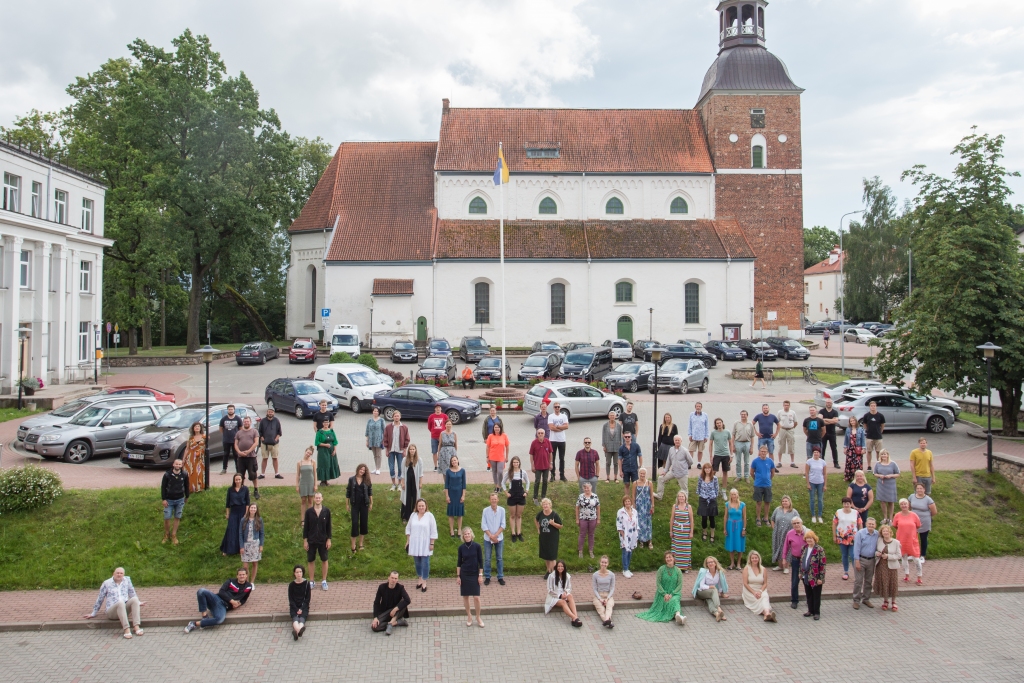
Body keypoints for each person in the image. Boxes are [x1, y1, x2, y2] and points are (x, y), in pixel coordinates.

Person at [184, 568, 253, 633]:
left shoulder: (249, 586)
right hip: (216, 598)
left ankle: (194, 623)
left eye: (243, 574)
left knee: (219, 620)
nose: (242, 576)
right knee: (201, 591)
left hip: (223, 607)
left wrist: (238, 604)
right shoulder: (230, 581)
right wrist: (231, 601)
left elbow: (244, 599)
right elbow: (221, 591)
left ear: (246, 576)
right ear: (237, 576)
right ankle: (205, 617)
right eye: (240, 575)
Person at [84, 567, 145, 639]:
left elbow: (132, 592)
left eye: (121, 573)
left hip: (124, 610)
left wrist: (138, 602)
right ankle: (126, 629)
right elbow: (100, 598)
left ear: (123, 574)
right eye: (117, 573)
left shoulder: (127, 580)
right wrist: (93, 613)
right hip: (112, 611)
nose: (119, 575)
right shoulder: (106, 583)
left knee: (134, 599)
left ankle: (136, 626)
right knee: (120, 603)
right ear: (113, 574)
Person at [636, 552, 686, 625]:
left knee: (674, 600)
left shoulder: (678, 571)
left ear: (674, 558)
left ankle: (678, 615)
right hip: (662, 593)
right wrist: (664, 594)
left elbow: (679, 585)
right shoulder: (661, 569)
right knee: (668, 602)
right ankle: (678, 616)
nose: (668, 559)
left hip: (675, 593)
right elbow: (658, 583)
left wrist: (672, 594)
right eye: (667, 558)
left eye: (670, 557)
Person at [406, 498, 438, 592]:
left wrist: (432, 543)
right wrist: (408, 541)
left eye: (422, 506)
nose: (421, 507)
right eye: (419, 506)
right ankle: (419, 578)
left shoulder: (430, 516)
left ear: (425, 506)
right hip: (414, 543)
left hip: (426, 543)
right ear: (416, 506)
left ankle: (424, 580)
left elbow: (433, 530)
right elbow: (408, 528)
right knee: (417, 562)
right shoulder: (413, 515)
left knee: (425, 562)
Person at [303, 491, 332, 590]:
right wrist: (305, 540)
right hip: (311, 540)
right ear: (314, 499)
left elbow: (329, 527)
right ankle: (311, 581)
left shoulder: (326, 511)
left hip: (323, 540)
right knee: (311, 560)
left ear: (322, 499)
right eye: (316, 498)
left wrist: (329, 539)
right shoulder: (309, 512)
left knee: (324, 559)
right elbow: (306, 527)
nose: (318, 499)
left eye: (319, 498)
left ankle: (324, 580)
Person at [457, 527, 485, 627]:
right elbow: (459, 562)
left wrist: (480, 575)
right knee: (465, 596)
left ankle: (478, 616)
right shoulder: (461, 548)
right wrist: (458, 576)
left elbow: (481, 561)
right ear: (463, 536)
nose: (467, 535)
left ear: (471, 534)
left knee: (476, 597)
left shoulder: (477, 546)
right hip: (464, 574)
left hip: (474, 574)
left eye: (468, 534)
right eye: (465, 534)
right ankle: (469, 616)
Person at [893, 498, 923, 585]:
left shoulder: (914, 515)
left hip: (912, 540)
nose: (904, 506)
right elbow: (895, 525)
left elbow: (918, 525)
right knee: (904, 558)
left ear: (908, 505)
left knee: (916, 559)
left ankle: (919, 577)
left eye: (905, 504)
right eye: (902, 504)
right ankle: (907, 575)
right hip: (902, 540)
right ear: (900, 506)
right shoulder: (897, 515)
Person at [371, 571, 411, 635]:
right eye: (392, 578)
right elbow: (376, 603)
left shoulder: (400, 588)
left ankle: (391, 623)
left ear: (397, 579)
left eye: (395, 578)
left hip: (397, 612)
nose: (393, 580)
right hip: (385, 612)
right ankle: (396, 622)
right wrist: (375, 617)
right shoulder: (382, 587)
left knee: (403, 602)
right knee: (375, 627)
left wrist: (395, 609)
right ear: (388, 578)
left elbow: (408, 600)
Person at [851, 517, 879, 609]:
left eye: (873, 524)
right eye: (869, 524)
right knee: (858, 581)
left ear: (875, 525)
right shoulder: (860, 533)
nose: (871, 525)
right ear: (866, 524)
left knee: (868, 581)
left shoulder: (877, 534)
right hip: (861, 559)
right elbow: (856, 548)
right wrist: (857, 561)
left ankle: (866, 599)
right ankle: (856, 600)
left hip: (871, 560)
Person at [873, 524, 903, 611]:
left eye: (887, 531)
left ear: (890, 532)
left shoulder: (896, 542)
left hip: (892, 566)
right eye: (884, 531)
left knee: (892, 583)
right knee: (884, 582)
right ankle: (885, 601)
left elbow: (899, 555)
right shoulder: (879, 540)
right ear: (882, 533)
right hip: (881, 565)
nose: (885, 533)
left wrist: (888, 556)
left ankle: (894, 602)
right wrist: (877, 554)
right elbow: (875, 551)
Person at [692, 555, 731, 621]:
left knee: (710, 600)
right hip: (701, 592)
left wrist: (722, 593)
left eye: (712, 562)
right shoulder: (704, 572)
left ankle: (716, 614)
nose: (710, 563)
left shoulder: (719, 573)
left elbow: (720, 584)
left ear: (715, 563)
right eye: (708, 562)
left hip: (710, 593)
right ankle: (719, 608)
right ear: (707, 565)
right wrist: (710, 587)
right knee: (714, 590)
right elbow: (701, 586)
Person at [832, 497, 862, 580]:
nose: (846, 505)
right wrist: (834, 536)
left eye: (848, 503)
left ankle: (856, 572)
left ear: (851, 504)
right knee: (844, 555)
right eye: (844, 503)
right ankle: (846, 571)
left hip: (853, 538)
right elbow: (834, 524)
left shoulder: (855, 513)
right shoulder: (838, 512)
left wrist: (861, 535)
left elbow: (860, 524)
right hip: (842, 537)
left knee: (853, 555)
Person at [545, 560, 582, 627]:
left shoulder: (567, 575)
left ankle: (575, 617)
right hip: (554, 597)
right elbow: (549, 590)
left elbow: (569, 587)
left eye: (562, 566)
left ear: (564, 567)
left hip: (563, 594)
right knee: (563, 602)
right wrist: (560, 596)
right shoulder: (551, 576)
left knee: (570, 596)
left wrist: (565, 592)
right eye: (558, 566)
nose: (560, 568)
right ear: (556, 567)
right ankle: (574, 618)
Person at [742, 550, 776, 622]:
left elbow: (765, 583)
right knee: (757, 600)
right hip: (749, 590)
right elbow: (745, 583)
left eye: (756, 558)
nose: (754, 559)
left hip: (760, 588)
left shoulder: (763, 569)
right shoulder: (746, 568)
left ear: (759, 558)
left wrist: (760, 591)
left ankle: (766, 614)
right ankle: (767, 614)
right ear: (750, 559)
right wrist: (754, 592)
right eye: (753, 558)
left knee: (764, 596)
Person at [346, 464, 373, 552]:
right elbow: (348, 492)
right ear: (358, 469)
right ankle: (353, 545)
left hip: (364, 504)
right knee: (354, 523)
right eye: (361, 469)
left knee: (363, 523)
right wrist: (347, 504)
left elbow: (370, 492)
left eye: (364, 470)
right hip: (354, 504)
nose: (362, 471)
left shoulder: (367, 480)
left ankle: (361, 543)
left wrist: (371, 503)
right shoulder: (351, 479)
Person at [161, 458, 189, 545]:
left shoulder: (184, 474)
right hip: (169, 500)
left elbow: (186, 485)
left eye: (179, 464)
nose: (178, 466)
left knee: (177, 517)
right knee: (167, 517)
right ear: (173, 464)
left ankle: (174, 535)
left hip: (180, 499)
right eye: (176, 464)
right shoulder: (167, 475)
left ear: (181, 466)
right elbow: (163, 487)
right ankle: (166, 534)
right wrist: (164, 499)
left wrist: (187, 496)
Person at [657, 434, 693, 500]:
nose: (677, 441)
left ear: (681, 441)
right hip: (673, 472)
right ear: (674, 441)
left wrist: (684, 467)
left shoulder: (685, 451)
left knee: (684, 489)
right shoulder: (671, 449)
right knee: (660, 478)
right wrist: (665, 471)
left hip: (682, 473)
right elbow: (668, 461)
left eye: (678, 440)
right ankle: (659, 496)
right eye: (676, 440)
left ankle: (685, 503)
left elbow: (690, 461)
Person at [220, 474, 249, 556]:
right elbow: (227, 503)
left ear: (242, 480)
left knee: (241, 530)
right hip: (234, 511)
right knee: (231, 529)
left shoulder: (245, 489)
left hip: (242, 510)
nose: (238, 481)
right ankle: (227, 549)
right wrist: (227, 514)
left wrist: (246, 513)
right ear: (234, 480)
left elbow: (247, 502)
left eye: (239, 479)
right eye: (236, 480)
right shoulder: (230, 490)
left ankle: (241, 549)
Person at [799, 530, 826, 620]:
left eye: (810, 538)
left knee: (816, 595)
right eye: (807, 538)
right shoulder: (804, 548)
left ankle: (816, 612)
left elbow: (822, 564)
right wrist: (800, 573)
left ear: (814, 539)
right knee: (808, 594)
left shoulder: (819, 549)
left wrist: (820, 578)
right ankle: (810, 610)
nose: (809, 540)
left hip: (815, 576)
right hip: (805, 575)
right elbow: (801, 561)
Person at [480, 493, 506, 585]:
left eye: (495, 499)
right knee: (487, 558)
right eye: (492, 499)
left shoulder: (502, 510)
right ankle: (487, 576)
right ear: (489, 500)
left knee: (499, 558)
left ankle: (500, 576)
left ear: (498, 500)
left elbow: (503, 524)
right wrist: (491, 536)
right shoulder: (485, 510)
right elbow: (483, 525)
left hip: (499, 538)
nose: (493, 501)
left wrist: (496, 535)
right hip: (488, 538)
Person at [781, 517, 807, 608]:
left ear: (802, 523)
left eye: (798, 523)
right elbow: (786, 547)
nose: (796, 525)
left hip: (806, 560)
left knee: (807, 579)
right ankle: (794, 600)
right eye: (794, 523)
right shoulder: (790, 533)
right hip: (795, 559)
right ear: (792, 525)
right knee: (795, 580)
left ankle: (809, 599)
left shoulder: (807, 533)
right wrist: (784, 558)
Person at [502, 455, 529, 542]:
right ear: (512, 463)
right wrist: (506, 492)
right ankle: (513, 533)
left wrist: (526, 492)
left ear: (519, 463)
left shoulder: (523, 472)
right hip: (512, 495)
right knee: (512, 515)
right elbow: (502, 483)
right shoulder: (509, 473)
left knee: (519, 515)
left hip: (521, 495)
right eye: (514, 462)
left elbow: (528, 482)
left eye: (517, 462)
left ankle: (519, 533)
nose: (515, 464)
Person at [909, 482, 937, 564]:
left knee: (923, 538)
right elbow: (909, 507)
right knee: (913, 538)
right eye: (918, 488)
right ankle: (913, 554)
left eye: (921, 488)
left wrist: (926, 516)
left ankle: (922, 555)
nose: (919, 490)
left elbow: (934, 511)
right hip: (913, 521)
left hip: (924, 521)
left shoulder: (928, 499)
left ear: (924, 489)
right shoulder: (911, 496)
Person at [750, 444, 778, 525]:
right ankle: (758, 518)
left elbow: (772, 472)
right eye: (762, 451)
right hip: (758, 485)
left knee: (767, 501)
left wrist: (769, 479)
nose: (763, 453)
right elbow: (752, 472)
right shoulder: (755, 461)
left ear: (767, 452)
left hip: (767, 485)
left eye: (764, 452)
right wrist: (756, 479)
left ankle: (766, 518)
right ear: (759, 452)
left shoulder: (770, 461)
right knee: (758, 502)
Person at [234, 416, 261, 499]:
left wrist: (248, 451)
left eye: (248, 421)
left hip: (251, 457)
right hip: (241, 457)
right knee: (240, 474)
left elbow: (256, 443)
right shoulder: (239, 433)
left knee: (253, 474)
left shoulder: (254, 431)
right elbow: (235, 444)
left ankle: (256, 490)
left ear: (250, 422)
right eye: (245, 421)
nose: (246, 423)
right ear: (243, 422)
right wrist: (239, 452)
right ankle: (242, 490)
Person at [770, 495, 799, 571]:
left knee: (787, 548)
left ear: (789, 502)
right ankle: (780, 565)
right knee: (778, 547)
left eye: (786, 501)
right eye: (783, 501)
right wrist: (774, 528)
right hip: (777, 533)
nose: (784, 502)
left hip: (788, 533)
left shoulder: (794, 512)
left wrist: (795, 531)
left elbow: (798, 522)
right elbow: (772, 519)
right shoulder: (777, 509)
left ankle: (786, 566)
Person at [535, 497, 563, 577]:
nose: (545, 506)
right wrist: (538, 528)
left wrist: (553, 524)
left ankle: (554, 573)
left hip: (552, 538)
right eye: (544, 504)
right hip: (543, 537)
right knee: (546, 555)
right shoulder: (540, 513)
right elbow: (536, 520)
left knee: (552, 556)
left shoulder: (554, 514)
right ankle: (548, 571)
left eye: (546, 504)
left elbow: (561, 526)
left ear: (550, 505)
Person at [238, 503, 265, 583]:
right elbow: (240, 533)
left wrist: (261, 545)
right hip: (246, 544)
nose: (253, 509)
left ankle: (252, 582)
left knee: (255, 563)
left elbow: (262, 533)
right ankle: (246, 582)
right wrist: (241, 546)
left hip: (255, 544)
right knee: (245, 566)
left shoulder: (259, 519)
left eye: (254, 508)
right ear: (249, 509)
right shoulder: (243, 520)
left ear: (256, 509)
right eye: (251, 508)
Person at [384, 411, 411, 490]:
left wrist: (405, 449)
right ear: (393, 417)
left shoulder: (404, 427)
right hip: (391, 450)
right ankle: (393, 484)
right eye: (395, 416)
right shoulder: (388, 427)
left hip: (400, 451)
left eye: (397, 416)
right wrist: (386, 449)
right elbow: (385, 438)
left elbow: (407, 439)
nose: (396, 417)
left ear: (400, 417)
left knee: (400, 467)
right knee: (391, 467)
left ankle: (399, 484)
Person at [872, 449, 900, 525]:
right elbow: (874, 473)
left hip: (890, 484)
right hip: (881, 484)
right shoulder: (878, 464)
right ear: (880, 455)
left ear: (888, 455)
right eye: (882, 454)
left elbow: (898, 474)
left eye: (885, 454)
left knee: (891, 501)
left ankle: (891, 519)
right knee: (882, 501)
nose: (884, 455)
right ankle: (885, 517)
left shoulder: (893, 464)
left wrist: (890, 475)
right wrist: (880, 475)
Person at [670, 489, 694, 571]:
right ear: (677, 498)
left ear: (685, 497)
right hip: (677, 530)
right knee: (676, 548)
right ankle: (677, 566)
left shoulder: (688, 507)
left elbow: (691, 520)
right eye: (679, 496)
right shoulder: (674, 506)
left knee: (686, 549)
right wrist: (671, 531)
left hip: (686, 530)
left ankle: (685, 567)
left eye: (682, 496)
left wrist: (691, 532)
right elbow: (672, 519)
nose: (681, 498)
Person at [257, 406, 284, 480]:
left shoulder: (276, 420)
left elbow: (279, 432)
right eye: (269, 412)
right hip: (264, 444)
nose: (270, 413)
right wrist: (262, 438)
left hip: (274, 444)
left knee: (275, 458)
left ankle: (276, 473)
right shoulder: (262, 421)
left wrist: (275, 439)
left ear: (274, 413)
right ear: (267, 412)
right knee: (264, 458)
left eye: (272, 412)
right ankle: (262, 474)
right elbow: (260, 432)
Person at [723, 488, 747, 570]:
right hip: (730, 525)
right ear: (730, 495)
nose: (734, 496)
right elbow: (725, 516)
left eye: (735, 494)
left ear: (737, 495)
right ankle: (732, 563)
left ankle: (739, 563)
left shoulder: (742, 504)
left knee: (739, 544)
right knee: (731, 544)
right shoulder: (727, 504)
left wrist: (744, 529)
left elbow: (744, 517)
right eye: (732, 494)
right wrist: (725, 528)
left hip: (739, 525)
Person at [616, 495, 639, 578]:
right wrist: (621, 533)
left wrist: (637, 531)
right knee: (625, 551)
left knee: (630, 551)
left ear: (631, 502)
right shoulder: (620, 512)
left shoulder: (634, 511)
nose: (627, 503)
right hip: (624, 534)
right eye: (626, 502)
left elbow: (637, 522)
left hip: (632, 534)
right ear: (624, 503)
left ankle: (628, 568)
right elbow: (618, 523)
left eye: (629, 501)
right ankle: (625, 569)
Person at [575, 481, 600, 559]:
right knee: (582, 534)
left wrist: (598, 518)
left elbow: (598, 507)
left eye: (588, 487)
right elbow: (577, 507)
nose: (586, 489)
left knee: (591, 534)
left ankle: (591, 550)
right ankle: (580, 551)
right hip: (583, 518)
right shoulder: (581, 496)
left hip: (593, 518)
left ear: (591, 488)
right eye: (585, 488)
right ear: (583, 489)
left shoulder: (595, 496)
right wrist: (577, 519)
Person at [708, 417, 733, 495]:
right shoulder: (713, 433)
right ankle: (712, 488)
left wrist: (731, 455)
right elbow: (710, 444)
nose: (719, 424)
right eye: (717, 423)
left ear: (722, 423)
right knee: (713, 471)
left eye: (720, 423)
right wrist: (711, 456)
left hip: (726, 455)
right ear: (715, 424)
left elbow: (730, 443)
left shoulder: (727, 432)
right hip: (717, 455)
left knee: (725, 472)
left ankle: (724, 490)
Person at [696, 462, 720, 542]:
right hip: (703, 499)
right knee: (704, 517)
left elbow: (717, 488)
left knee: (712, 517)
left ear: (711, 469)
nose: (707, 470)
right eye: (706, 468)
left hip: (712, 499)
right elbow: (698, 487)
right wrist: (701, 495)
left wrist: (714, 496)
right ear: (704, 469)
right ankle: (705, 532)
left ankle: (712, 534)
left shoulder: (715, 478)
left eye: (709, 468)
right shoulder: (701, 477)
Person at [400, 445, 424, 522]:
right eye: (411, 449)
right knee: (407, 498)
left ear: (415, 450)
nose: (412, 451)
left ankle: (415, 515)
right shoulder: (404, 460)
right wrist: (402, 483)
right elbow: (402, 472)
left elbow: (420, 473)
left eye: (413, 449)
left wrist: (420, 483)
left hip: (415, 482)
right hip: (407, 482)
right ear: (408, 450)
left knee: (415, 498)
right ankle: (405, 516)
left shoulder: (419, 460)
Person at [444, 455, 467, 538]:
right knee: (451, 513)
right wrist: (447, 496)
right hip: (451, 493)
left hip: (459, 493)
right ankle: (451, 530)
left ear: (458, 460)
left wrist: (463, 495)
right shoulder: (448, 471)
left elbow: (464, 485)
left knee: (459, 513)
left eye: (455, 460)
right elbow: (446, 485)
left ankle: (460, 529)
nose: (454, 462)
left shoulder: (462, 471)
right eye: (452, 461)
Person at [529, 428, 553, 504]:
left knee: (545, 481)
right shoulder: (534, 443)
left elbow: (550, 453)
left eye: (542, 433)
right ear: (537, 434)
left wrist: (550, 463)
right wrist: (532, 465)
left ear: (544, 434)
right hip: (537, 466)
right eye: (539, 433)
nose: (540, 434)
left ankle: (543, 496)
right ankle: (535, 497)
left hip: (546, 466)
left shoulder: (548, 442)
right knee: (537, 481)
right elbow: (531, 454)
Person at [592, 555, 617, 628]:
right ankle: (609, 622)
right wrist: (600, 599)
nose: (604, 564)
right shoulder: (595, 575)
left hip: (608, 595)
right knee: (601, 609)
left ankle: (606, 621)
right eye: (602, 562)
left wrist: (607, 598)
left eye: (605, 563)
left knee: (609, 606)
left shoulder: (612, 575)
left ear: (608, 564)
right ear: (600, 563)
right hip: (598, 595)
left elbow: (612, 588)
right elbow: (594, 588)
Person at [805, 446, 828, 523]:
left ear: (819, 453)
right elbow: (807, 473)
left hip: (820, 483)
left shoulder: (823, 462)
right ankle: (813, 515)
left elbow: (825, 474)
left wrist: (825, 485)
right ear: (813, 453)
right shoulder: (809, 462)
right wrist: (808, 483)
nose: (816, 453)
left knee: (820, 499)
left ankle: (819, 515)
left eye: (817, 452)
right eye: (814, 452)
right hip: (812, 482)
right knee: (812, 499)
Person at [181, 422, 206, 495]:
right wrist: (183, 459)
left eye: (198, 426)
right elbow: (187, 449)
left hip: (200, 457)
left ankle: (199, 488)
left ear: (201, 428)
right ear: (193, 429)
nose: (197, 428)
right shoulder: (190, 438)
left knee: (199, 472)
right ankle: (190, 488)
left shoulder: (204, 437)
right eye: (195, 427)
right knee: (190, 472)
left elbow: (206, 447)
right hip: (190, 457)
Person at [547, 401, 569, 481]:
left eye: (558, 407)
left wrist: (557, 426)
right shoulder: (551, 416)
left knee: (562, 458)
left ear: (560, 408)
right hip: (553, 440)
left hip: (562, 440)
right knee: (552, 458)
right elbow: (551, 427)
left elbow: (566, 426)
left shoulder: (564, 416)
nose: (557, 408)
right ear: (553, 408)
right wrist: (560, 427)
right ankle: (552, 476)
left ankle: (562, 475)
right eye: (555, 407)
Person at [288, 565, 311, 640]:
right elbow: (291, 599)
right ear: (294, 573)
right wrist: (296, 608)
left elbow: (307, 599)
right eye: (297, 572)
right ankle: (299, 631)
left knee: (302, 619)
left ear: (303, 573)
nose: (299, 574)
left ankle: (297, 632)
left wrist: (301, 608)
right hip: (294, 606)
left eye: (300, 572)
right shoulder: (291, 585)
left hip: (303, 606)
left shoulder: (307, 584)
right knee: (295, 618)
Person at [314, 420, 340, 487]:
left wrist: (335, 450)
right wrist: (325, 445)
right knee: (324, 464)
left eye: (327, 422)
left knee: (330, 464)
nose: (326, 424)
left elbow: (335, 441)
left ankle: (327, 480)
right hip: (322, 451)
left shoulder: (331, 431)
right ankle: (323, 481)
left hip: (331, 450)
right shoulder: (319, 432)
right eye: (325, 422)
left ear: (329, 423)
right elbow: (317, 442)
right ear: (322, 423)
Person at [296, 446, 318, 524]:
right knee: (303, 500)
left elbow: (315, 474)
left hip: (311, 482)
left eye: (310, 453)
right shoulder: (299, 462)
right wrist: (297, 485)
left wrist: (315, 484)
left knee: (310, 500)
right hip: (303, 483)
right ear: (305, 451)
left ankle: (310, 518)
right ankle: (303, 519)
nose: (308, 454)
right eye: (307, 452)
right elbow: (298, 475)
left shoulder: (313, 462)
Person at [860, 401, 885, 468]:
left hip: (878, 436)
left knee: (878, 452)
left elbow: (882, 425)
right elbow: (865, 424)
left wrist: (880, 431)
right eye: (871, 406)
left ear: (876, 406)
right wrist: (867, 430)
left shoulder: (880, 416)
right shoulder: (866, 415)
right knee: (869, 451)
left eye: (874, 406)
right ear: (869, 407)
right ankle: (869, 465)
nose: (873, 407)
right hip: (869, 436)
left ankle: (878, 464)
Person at [485, 422, 510, 491]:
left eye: (498, 427)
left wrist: (507, 457)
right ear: (493, 428)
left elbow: (507, 446)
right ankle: (496, 486)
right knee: (494, 471)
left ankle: (500, 485)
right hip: (492, 457)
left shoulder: (504, 436)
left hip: (501, 457)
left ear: (500, 428)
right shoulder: (490, 436)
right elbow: (487, 447)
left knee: (500, 471)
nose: (496, 429)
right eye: (495, 427)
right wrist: (487, 457)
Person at [218, 404, 242, 474]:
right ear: (227, 410)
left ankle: (238, 470)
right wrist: (226, 434)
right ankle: (224, 469)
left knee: (236, 455)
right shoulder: (224, 419)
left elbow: (241, 429)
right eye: (229, 409)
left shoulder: (238, 419)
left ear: (234, 410)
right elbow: (221, 429)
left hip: (235, 440)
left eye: (231, 409)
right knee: (226, 454)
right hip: (226, 440)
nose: (230, 411)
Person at [618, 431, 643, 499]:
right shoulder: (621, 448)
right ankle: (627, 498)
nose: (627, 438)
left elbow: (640, 456)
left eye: (628, 437)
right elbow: (619, 460)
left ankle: (636, 497)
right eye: (626, 437)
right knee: (626, 484)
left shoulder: (636, 446)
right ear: (624, 437)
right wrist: (620, 470)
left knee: (635, 484)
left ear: (631, 437)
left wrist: (640, 466)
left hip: (634, 468)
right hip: (625, 468)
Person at [732, 410, 755, 481]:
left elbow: (752, 436)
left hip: (747, 443)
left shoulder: (750, 424)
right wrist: (733, 445)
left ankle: (746, 476)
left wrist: (752, 447)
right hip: (738, 442)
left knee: (747, 462)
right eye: (742, 414)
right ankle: (738, 476)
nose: (743, 416)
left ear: (747, 415)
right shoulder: (736, 423)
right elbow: (733, 434)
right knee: (738, 461)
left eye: (744, 414)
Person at [635, 468, 654, 549]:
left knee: (648, 522)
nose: (642, 475)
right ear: (639, 474)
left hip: (647, 505)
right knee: (639, 522)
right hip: (639, 505)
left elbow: (651, 495)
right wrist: (633, 506)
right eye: (641, 473)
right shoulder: (635, 483)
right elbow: (633, 496)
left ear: (646, 474)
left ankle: (649, 540)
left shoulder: (649, 483)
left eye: (644, 474)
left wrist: (653, 505)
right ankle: (641, 540)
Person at [602, 410, 623, 482]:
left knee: (616, 463)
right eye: (611, 416)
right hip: (608, 446)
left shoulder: (619, 426)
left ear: (615, 417)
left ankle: (615, 477)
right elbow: (603, 436)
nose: (612, 417)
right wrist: (604, 445)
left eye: (613, 416)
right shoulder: (605, 425)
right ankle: (607, 477)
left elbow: (621, 436)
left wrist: (621, 445)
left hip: (617, 447)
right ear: (608, 417)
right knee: (608, 462)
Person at [843, 416, 866, 482]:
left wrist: (863, 449)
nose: (852, 422)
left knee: (858, 463)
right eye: (851, 421)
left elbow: (863, 440)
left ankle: (858, 477)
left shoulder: (860, 429)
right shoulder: (848, 429)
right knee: (849, 462)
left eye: (853, 421)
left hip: (858, 449)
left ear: (856, 421)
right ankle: (848, 477)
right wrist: (845, 448)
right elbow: (846, 440)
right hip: (850, 448)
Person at [427, 404, 449, 473]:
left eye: (439, 408)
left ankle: (443, 465)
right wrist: (433, 432)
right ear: (435, 409)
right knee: (434, 452)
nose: (438, 409)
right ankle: (436, 466)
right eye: (436, 408)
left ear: (441, 409)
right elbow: (429, 427)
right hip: (434, 437)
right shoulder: (431, 416)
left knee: (443, 451)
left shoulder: (444, 416)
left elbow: (448, 425)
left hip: (443, 437)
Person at [777, 400, 798, 469]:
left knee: (791, 445)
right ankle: (779, 462)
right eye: (785, 405)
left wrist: (791, 427)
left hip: (790, 430)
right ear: (783, 405)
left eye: (787, 405)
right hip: (782, 429)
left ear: (789, 405)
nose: (786, 406)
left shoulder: (792, 412)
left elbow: (795, 422)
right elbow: (777, 421)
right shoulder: (780, 412)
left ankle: (792, 462)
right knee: (781, 445)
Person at [820, 399, 840, 468]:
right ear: (826, 403)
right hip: (823, 432)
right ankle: (822, 463)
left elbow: (835, 421)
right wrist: (831, 420)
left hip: (832, 433)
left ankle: (836, 463)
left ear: (832, 404)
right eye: (827, 402)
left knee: (834, 448)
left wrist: (825, 420)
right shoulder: (821, 411)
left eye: (830, 403)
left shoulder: (835, 412)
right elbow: (820, 420)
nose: (828, 404)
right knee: (822, 448)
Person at [365, 406, 385, 474]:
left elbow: (384, 430)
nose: (375, 412)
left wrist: (383, 440)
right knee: (374, 455)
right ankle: (376, 467)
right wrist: (367, 440)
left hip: (379, 440)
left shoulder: (381, 420)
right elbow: (367, 430)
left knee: (378, 455)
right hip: (371, 440)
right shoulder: (369, 420)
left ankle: (378, 468)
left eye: (377, 411)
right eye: (374, 411)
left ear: (379, 412)